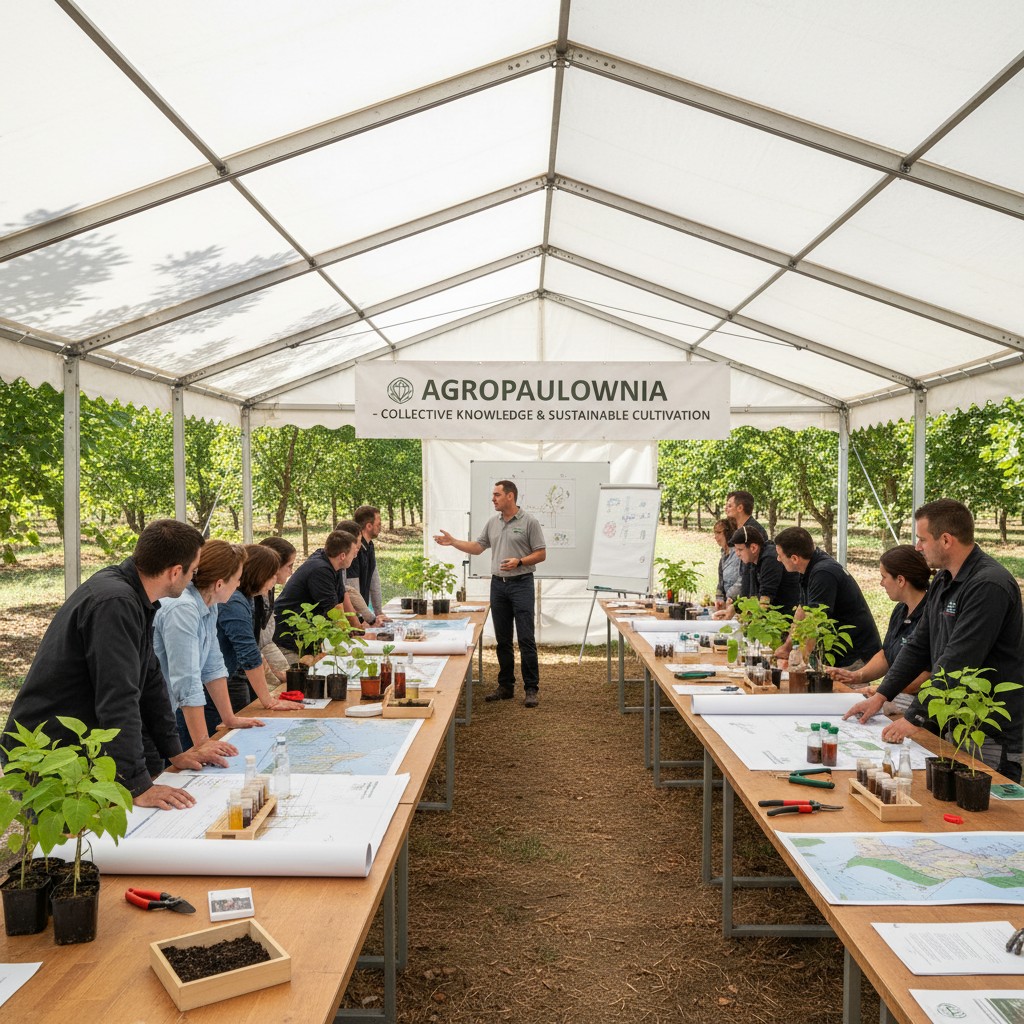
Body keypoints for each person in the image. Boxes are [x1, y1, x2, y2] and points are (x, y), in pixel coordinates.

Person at [1, 519, 223, 810]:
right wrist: (137, 785)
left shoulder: (132, 595)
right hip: (49, 750)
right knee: (67, 849)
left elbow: (150, 678)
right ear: (175, 572)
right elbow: (119, 697)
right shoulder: (115, 602)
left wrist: (175, 752)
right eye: (193, 571)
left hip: (74, 742)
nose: (194, 578)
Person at [843, 500, 1024, 781]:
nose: (918, 547)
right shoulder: (942, 581)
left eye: (922, 539)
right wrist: (881, 696)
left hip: (989, 728)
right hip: (953, 720)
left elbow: (959, 658)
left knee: (988, 814)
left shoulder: (988, 585)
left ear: (946, 540)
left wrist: (914, 716)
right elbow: (918, 645)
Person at [434, 480, 546, 707]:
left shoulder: (529, 522)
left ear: (510, 496)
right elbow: (478, 547)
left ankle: (531, 688)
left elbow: (541, 554)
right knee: (502, 638)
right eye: (493, 495)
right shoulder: (492, 522)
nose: (493, 498)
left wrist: (520, 562)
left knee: (525, 638)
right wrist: (453, 542)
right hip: (499, 585)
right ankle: (505, 686)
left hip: (522, 583)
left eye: (497, 494)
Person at [153, 539, 265, 758]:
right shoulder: (183, 608)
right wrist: (203, 742)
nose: (239, 585)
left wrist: (229, 718)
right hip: (150, 712)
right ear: (220, 583)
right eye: (238, 579)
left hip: (165, 708)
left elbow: (213, 665)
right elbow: (187, 679)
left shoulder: (209, 604)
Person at [828, 545, 932, 715]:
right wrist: (856, 676)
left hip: (919, 702)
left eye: (884, 577)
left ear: (900, 580)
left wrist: (883, 691)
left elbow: (927, 674)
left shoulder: (931, 613)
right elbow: (886, 655)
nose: (881, 583)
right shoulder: (901, 609)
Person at [774, 526, 881, 668]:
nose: (777, 559)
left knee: (842, 689)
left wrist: (798, 665)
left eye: (780, 555)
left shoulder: (823, 573)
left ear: (794, 558)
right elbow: (802, 611)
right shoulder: (809, 567)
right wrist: (787, 648)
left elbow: (815, 622)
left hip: (853, 654)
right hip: (838, 652)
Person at [218, 544, 296, 713]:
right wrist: (269, 701)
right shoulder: (235, 602)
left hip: (234, 674)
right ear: (259, 573)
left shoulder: (248, 598)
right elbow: (248, 651)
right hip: (228, 679)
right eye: (272, 575)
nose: (274, 580)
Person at [272, 528, 362, 660]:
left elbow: (340, 600)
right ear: (342, 556)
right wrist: (349, 641)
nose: (355, 556)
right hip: (289, 639)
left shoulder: (330, 563)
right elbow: (334, 612)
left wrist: (357, 629)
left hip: (304, 635)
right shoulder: (321, 570)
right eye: (354, 552)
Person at [720, 523, 801, 617]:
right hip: (772, 617)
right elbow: (746, 593)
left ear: (753, 548)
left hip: (784, 618)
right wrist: (734, 609)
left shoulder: (770, 558)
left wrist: (749, 620)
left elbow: (765, 600)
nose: (737, 554)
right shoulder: (750, 559)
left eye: (740, 549)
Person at [256, 535, 296, 687]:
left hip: (266, 646)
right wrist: (270, 670)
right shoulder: (253, 594)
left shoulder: (269, 589)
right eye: (289, 566)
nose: (291, 572)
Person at [347, 505, 388, 626]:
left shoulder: (370, 546)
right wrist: (366, 619)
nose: (381, 527)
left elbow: (374, 581)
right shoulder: (354, 550)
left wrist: (379, 612)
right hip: (354, 616)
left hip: (362, 614)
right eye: (378, 524)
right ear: (369, 526)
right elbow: (352, 590)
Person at [712, 518, 741, 613]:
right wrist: (719, 599)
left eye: (718, 533)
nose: (715, 537)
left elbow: (742, 580)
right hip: (728, 606)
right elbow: (721, 582)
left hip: (739, 606)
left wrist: (728, 598)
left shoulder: (739, 555)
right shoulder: (723, 556)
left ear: (728, 533)